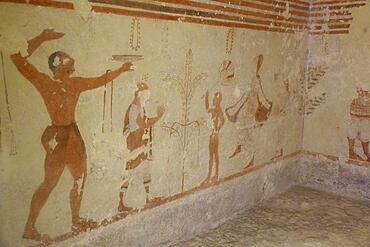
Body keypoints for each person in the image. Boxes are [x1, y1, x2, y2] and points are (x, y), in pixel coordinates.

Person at [11, 29, 133, 240]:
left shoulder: (68, 83)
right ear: (59, 64)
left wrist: (121, 70)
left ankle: (75, 220)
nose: (71, 62)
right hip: (59, 136)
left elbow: (99, 80)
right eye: (67, 59)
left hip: (71, 136)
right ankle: (29, 227)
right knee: (50, 183)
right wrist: (43, 37)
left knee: (79, 177)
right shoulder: (47, 82)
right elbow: (18, 59)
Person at [118, 82, 165, 212]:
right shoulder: (134, 109)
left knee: (145, 169)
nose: (147, 98)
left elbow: (144, 122)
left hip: (140, 141)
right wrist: (159, 117)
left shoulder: (140, 107)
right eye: (146, 96)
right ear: (140, 95)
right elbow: (143, 124)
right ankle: (121, 202)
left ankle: (148, 198)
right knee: (129, 170)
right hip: (134, 143)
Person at [203, 91, 224, 183]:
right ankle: (211, 175)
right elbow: (207, 109)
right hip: (213, 135)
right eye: (214, 99)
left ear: (219, 100)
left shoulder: (218, 110)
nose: (214, 100)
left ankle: (215, 175)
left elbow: (222, 121)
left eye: (215, 99)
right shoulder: (214, 109)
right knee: (212, 156)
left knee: (214, 155)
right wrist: (206, 97)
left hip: (214, 136)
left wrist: (217, 129)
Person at [347, 86, 370, 162]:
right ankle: (351, 152)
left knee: (365, 135)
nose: (364, 94)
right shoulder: (355, 99)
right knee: (352, 132)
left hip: (366, 120)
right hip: (355, 118)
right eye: (362, 92)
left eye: (366, 92)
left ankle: (366, 154)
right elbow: (352, 112)